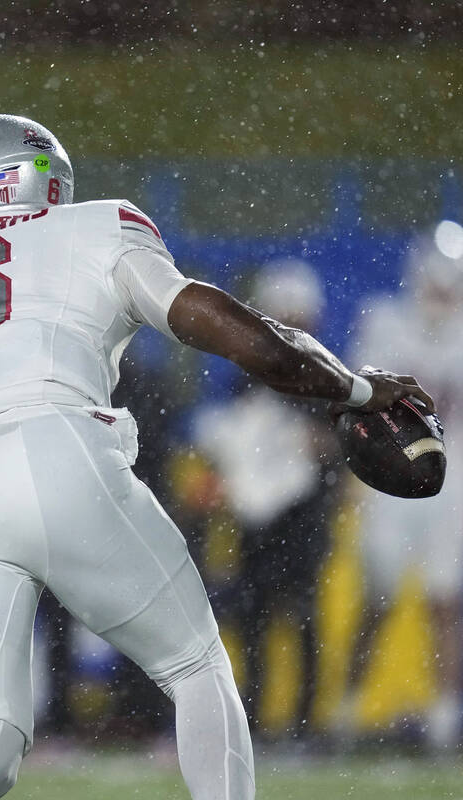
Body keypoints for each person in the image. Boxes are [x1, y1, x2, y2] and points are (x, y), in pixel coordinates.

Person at [0, 114, 433, 800]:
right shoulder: (96, 226)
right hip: (54, 442)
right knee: (196, 669)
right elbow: (219, 323)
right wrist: (356, 388)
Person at [193, 258, 340, 741]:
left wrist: (325, 448)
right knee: (254, 619)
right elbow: (232, 435)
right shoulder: (250, 373)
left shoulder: (327, 375)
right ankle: (255, 719)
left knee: (299, 619)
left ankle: (305, 725)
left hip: (304, 514)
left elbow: (341, 445)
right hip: (260, 517)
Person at [344, 220, 463, 748]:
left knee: (445, 600)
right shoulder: (386, 322)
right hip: (391, 478)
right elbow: (356, 398)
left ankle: (443, 719)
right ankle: (346, 710)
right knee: (378, 599)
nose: (440, 294)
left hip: (454, 481)